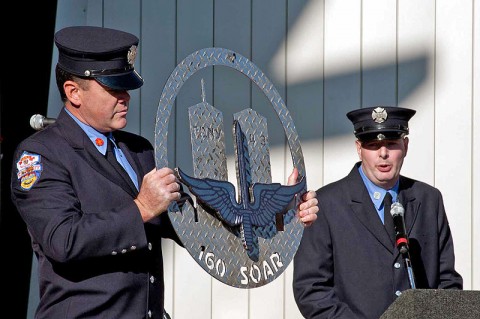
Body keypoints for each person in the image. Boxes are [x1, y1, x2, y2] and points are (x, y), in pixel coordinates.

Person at [10, 26, 318, 319]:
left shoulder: (138, 150)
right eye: (113, 88)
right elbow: (62, 240)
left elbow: (196, 226)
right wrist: (141, 208)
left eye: (126, 87)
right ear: (74, 92)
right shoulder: (40, 156)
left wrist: (282, 215)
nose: (125, 97)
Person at [292, 106, 463, 319]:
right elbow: (311, 289)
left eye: (391, 144)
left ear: (406, 145)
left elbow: (448, 282)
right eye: (373, 145)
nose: (383, 154)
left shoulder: (429, 199)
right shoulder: (325, 203)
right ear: (359, 148)